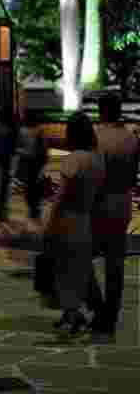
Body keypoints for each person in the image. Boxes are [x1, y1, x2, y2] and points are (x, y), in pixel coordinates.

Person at [44, 112, 104, 336]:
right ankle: (85, 309)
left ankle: (72, 312)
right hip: (86, 217)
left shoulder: (73, 160)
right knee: (81, 266)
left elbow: (62, 196)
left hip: (68, 218)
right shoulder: (97, 159)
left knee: (64, 267)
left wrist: (50, 221)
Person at [88, 92, 137, 340]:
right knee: (115, 264)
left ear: (102, 110)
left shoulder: (96, 137)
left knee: (80, 257)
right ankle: (111, 315)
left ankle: (98, 307)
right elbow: (134, 174)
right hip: (123, 202)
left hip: (99, 204)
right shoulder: (131, 138)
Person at [19, 117, 51, 221]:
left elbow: (43, 147)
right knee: (33, 186)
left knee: (32, 186)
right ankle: (34, 209)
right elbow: (44, 148)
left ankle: (34, 209)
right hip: (33, 162)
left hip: (32, 162)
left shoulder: (27, 131)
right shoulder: (36, 130)